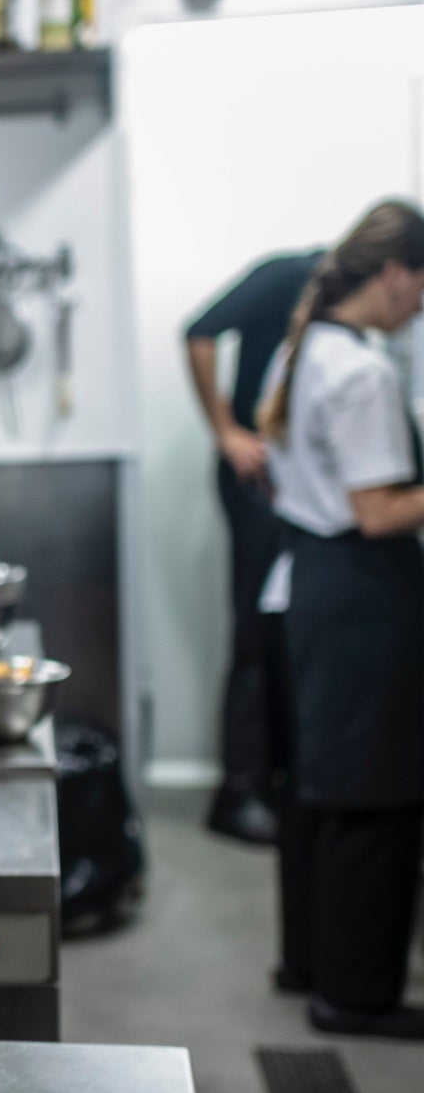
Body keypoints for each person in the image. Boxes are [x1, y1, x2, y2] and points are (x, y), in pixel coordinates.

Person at [260, 199, 424, 1038]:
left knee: (323, 791)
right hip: (362, 590)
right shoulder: (363, 372)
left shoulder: (306, 348)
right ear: (395, 275)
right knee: (375, 793)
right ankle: (356, 996)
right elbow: (379, 510)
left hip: (311, 584)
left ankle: (311, 964)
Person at [185, 245, 324, 844]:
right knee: (251, 633)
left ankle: (267, 780)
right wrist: (226, 434)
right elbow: (198, 331)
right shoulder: (290, 276)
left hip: (286, 484)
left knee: (277, 634)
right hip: (254, 481)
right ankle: (236, 793)